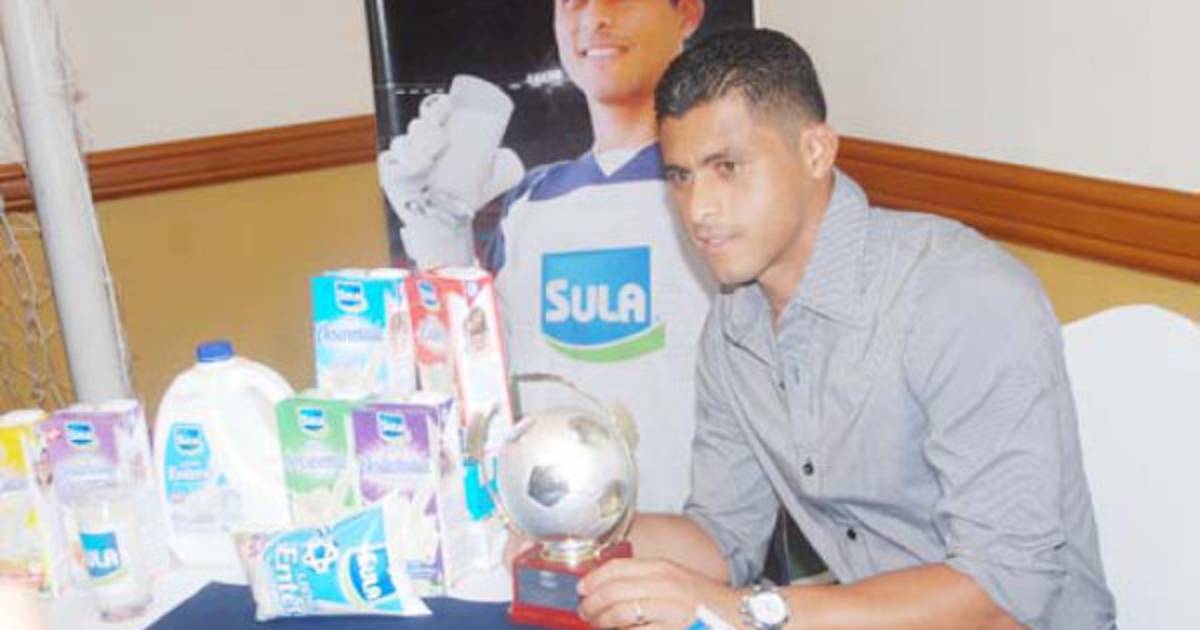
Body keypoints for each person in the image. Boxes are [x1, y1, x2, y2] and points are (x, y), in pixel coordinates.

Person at [575, 29, 1116, 629]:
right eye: (680, 176)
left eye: (726, 167)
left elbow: (1005, 593)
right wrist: (578, 530)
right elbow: (723, 536)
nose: (698, 208)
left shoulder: (959, 295)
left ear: (815, 152)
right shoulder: (735, 323)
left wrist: (751, 613)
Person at [380, 0, 713, 514]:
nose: (594, 17)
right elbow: (477, 378)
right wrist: (440, 245)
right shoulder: (531, 202)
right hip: (541, 530)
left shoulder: (722, 192)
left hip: (689, 538)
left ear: (687, 13)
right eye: (572, 0)